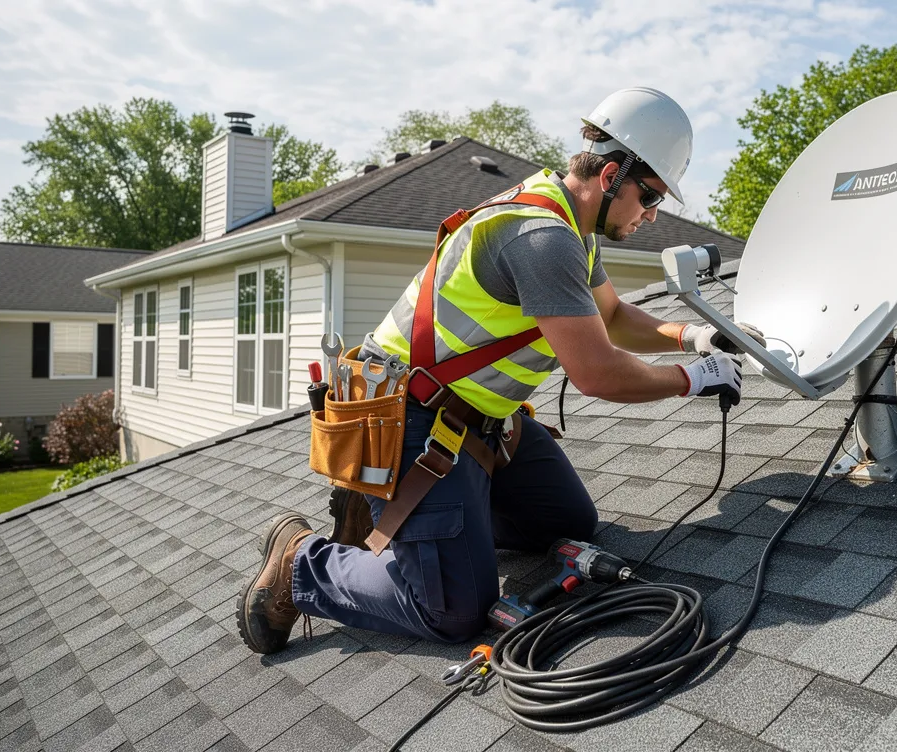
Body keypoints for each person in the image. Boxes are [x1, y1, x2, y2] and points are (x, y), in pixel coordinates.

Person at [237, 87, 764, 651]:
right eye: (652, 196)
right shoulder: (543, 238)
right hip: (406, 419)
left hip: (477, 421)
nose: (653, 215)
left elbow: (609, 315)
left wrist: (695, 335)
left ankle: (422, 520)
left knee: (565, 525)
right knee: (454, 612)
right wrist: (693, 378)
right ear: (612, 175)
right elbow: (597, 374)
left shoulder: (570, 227)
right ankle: (301, 563)